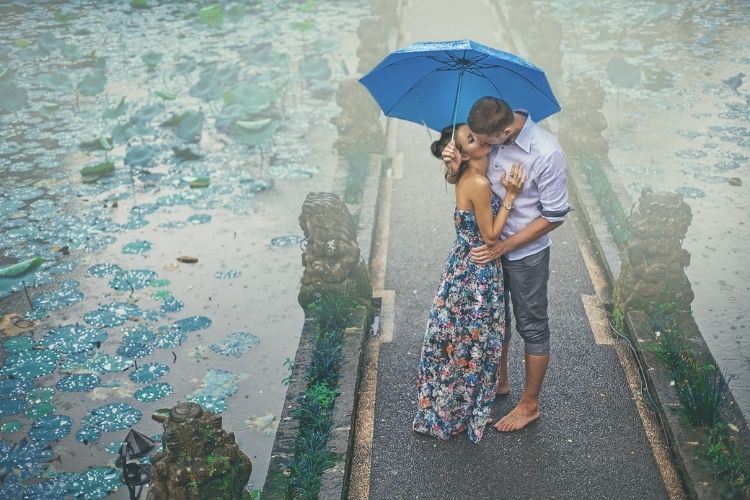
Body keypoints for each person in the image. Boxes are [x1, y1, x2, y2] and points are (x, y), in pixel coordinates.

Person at [443, 96, 571, 432]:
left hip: (525, 256)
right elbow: (469, 184)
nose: (483, 146)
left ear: (507, 130)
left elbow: (555, 215)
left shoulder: (547, 153)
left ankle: (530, 405)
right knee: (496, 323)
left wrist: (503, 247)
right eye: (478, 140)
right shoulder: (489, 140)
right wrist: (452, 166)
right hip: (490, 254)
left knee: (532, 326)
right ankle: (498, 382)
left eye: (488, 141)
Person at [412, 123, 525, 444]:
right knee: (473, 335)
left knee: (459, 333)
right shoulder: (477, 182)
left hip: (462, 263)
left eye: (475, 133)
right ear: (463, 153)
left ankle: (455, 404)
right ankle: (457, 409)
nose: (481, 139)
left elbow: (455, 182)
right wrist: (511, 196)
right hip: (478, 268)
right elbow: (490, 236)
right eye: (471, 139)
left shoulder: (465, 176)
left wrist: (451, 167)